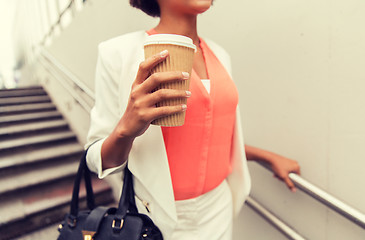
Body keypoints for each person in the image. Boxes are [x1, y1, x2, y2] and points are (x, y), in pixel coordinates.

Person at [85, 0, 300, 239]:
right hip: (159, 220)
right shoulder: (119, 53)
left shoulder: (221, 55)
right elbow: (95, 159)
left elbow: (210, 139)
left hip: (219, 208)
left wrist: (268, 157)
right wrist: (126, 129)